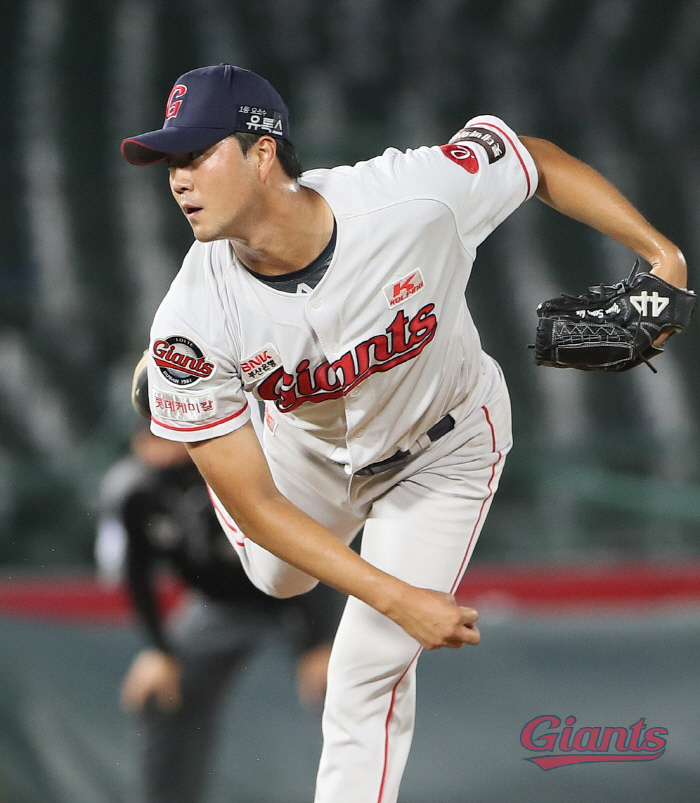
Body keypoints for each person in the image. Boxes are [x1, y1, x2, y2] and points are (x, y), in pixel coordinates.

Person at [120, 64, 688, 803]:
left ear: (263, 154)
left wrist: (661, 255)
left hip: (446, 449)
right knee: (277, 573)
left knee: (364, 675)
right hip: (305, 455)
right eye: (171, 161)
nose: (178, 178)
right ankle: (200, 403)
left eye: (196, 153)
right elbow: (257, 505)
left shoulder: (409, 196)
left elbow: (533, 158)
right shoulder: (191, 320)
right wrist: (395, 593)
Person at [97, 423, 342, 803]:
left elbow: (312, 549)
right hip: (218, 607)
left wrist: (321, 641)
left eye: (163, 434)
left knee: (340, 690)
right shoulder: (137, 494)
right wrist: (159, 651)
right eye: (147, 437)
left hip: (295, 593)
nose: (156, 447)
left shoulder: (236, 466)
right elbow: (137, 575)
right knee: (159, 694)